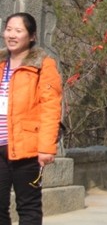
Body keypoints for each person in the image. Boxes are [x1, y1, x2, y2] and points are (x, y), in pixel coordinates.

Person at [0, 12, 63, 225]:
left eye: (18, 31)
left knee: (28, 207)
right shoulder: (1, 63)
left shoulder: (43, 65)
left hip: (27, 147)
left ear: (32, 36)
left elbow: (50, 107)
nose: (12, 35)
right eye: (9, 29)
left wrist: (46, 148)